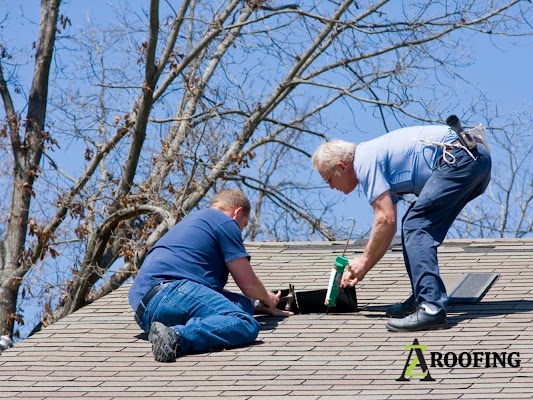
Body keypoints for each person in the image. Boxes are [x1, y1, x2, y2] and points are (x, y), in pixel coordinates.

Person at [311, 124, 491, 331]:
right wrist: (365, 264)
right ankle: (421, 297)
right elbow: (390, 224)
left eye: (329, 180)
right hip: (476, 159)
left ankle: (431, 308)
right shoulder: (374, 155)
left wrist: (364, 262)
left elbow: (385, 219)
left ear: (342, 167)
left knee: (416, 226)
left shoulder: (364, 161)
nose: (332, 186)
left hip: (460, 158)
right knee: (413, 224)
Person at [129, 189, 291, 362]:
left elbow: (212, 297)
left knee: (242, 306)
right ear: (237, 212)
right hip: (171, 291)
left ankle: (167, 332)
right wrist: (267, 297)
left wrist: (257, 304)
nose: (239, 232)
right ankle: (176, 337)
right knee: (245, 323)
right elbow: (248, 284)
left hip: (146, 312)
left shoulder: (193, 222)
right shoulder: (224, 221)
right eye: (242, 226)